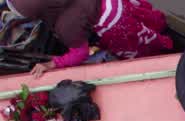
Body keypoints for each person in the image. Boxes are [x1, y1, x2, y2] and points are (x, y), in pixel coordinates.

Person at [15, 0, 172, 77]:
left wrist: (52, 64)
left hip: (115, 24)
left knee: (140, 45)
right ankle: (163, 30)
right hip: (114, 3)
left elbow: (80, 53)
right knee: (146, 21)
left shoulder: (65, 26)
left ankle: (165, 50)